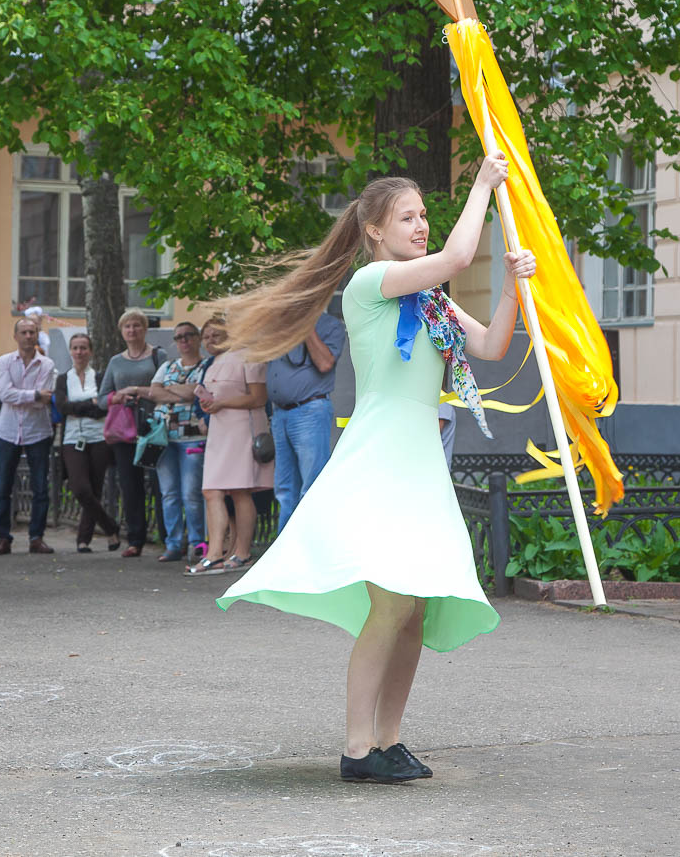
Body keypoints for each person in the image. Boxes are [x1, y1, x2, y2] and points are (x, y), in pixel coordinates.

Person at [216, 156, 535, 784]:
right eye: (408, 217)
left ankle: (388, 740)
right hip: (382, 458)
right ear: (375, 231)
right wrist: (481, 184)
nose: (421, 225)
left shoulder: (431, 302)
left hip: (419, 462)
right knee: (388, 608)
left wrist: (510, 289)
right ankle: (357, 749)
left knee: (414, 611)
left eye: (424, 215)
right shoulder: (370, 284)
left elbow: (492, 346)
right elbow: (455, 257)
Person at [184, 321, 272, 576]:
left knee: (239, 490)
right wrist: (210, 404)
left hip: (241, 429)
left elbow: (258, 398)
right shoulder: (213, 363)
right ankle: (216, 553)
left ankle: (240, 553)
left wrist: (222, 403)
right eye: (206, 336)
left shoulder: (249, 355)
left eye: (216, 335)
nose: (210, 340)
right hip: (220, 430)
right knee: (211, 491)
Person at [125, 320, 211, 562]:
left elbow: (197, 393)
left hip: (193, 437)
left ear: (198, 338)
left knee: (191, 493)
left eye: (188, 335)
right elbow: (154, 393)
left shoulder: (207, 366)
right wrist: (185, 392)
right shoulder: (167, 365)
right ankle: (172, 544)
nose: (184, 340)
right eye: (179, 337)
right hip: (163, 439)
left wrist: (171, 390)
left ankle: (196, 543)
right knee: (169, 493)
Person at [265, 310, 346, 532]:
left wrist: (306, 325)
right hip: (280, 414)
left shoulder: (330, 325)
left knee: (312, 485)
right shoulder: (280, 325)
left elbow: (325, 363)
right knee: (285, 490)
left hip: (309, 411)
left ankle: (311, 544)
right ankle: (285, 546)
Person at [98, 309, 167, 557]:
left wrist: (139, 390)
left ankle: (168, 538)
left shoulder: (159, 356)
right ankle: (135, 539)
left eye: (136, 325)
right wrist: (119, 396)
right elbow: (101, 399)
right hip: (124, 432)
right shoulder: (115, 362)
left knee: (161, 485)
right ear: (121, 331)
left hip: (154, 430)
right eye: (127, 326)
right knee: (130, 486)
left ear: (145, 329)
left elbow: (168, 389)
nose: (132, 330)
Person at [0, 316, 56, 556]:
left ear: (37, 335)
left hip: (38, 430)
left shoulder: (46, 364)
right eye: (24, 332)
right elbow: (5, 395)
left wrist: (30, 396)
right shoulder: (4, 361)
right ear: (15, 336)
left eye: (32, 332)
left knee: (40, 486)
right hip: (8, 430)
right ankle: (3, 537)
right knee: (3, 486)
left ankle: (36, 537)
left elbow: (43, 400)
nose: (28, 336)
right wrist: (34, 394)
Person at [56, 333, 121, 554]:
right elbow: (63, 407)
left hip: (99, 437)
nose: (79, 352)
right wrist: (89, 404)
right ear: (70, 351)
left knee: (95, 488)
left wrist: (79, 407)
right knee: (80, 488)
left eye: (83, 348)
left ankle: (83, 539)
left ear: (90, 351)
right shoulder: (63, 379)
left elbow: (103, 407)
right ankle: (110, 527)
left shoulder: (100, 378)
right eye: (75, 348)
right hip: (73, 438)